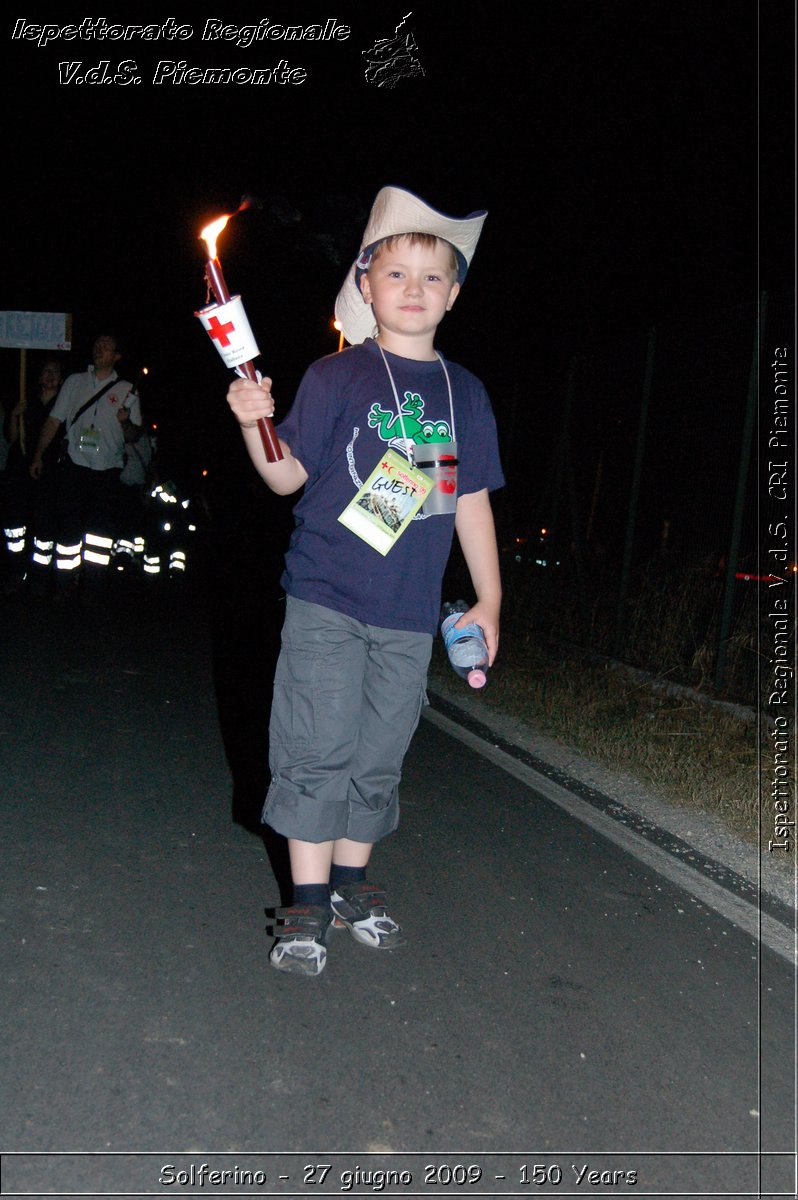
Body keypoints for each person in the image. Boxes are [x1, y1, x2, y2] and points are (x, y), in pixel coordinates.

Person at [226, 185, 504, 977]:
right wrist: (254, 420)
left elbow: (471, 501)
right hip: (326, 596)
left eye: (432, 276)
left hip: (409, 613)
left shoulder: (464, 395)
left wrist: (490, 599)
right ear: (366, 285)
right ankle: (307, 907)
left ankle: (350, 886)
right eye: (396, 272)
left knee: (379, 754)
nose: (413, 288)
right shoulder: (336, 375)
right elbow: (286, 479)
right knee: (317, 747)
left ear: (453, 295)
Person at [30, 334, 141, 598]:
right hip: (74, 466)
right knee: (68, 528)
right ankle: (64, 588)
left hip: (107, 471)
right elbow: (54, 421)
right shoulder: (74, 381)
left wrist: (125, 422)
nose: (99, 348)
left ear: (116, 356)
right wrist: (38, 455)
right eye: (96, 344)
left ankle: (93, 590)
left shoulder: (127, 389)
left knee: (100, 536)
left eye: (106, 346)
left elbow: (134, 435)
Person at [3, 357, 63, 593]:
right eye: (46, 371)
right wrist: (14, 416)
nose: (49, 376)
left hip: (49, 471)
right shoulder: (25, 400)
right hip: (19, 469)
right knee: (15, 523)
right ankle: (17, 572)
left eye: (55, 372)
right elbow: (11, 438)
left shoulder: (64, 405)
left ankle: (39, 577)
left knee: (44, 524)